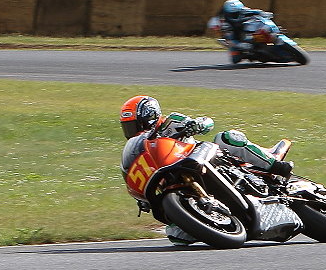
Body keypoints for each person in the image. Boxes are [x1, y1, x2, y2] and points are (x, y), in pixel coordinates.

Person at [120, 95, 293, 244]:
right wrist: (143, 198)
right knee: (177, 236)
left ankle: (273, 163)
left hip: (202, 157)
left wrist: (196, 124)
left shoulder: (170, 122)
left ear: (150, 116)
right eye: (128, 127)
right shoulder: (139, 146)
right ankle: (219, 222)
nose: (132, 130)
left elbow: (207, 122)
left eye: (134, 125)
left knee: (226, 138)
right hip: (175, 176)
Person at [208, 0, 271, 64]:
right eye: (233, 14)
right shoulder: (223, 22)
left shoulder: (243, 10)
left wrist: (263, 13)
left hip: (244, 29)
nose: (235, 15)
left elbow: (254, 11)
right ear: (227, 13)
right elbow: (229, 39)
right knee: (235, 58)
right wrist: (240, 45)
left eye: (237, 12)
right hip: (235, 38)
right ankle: (250, 54)